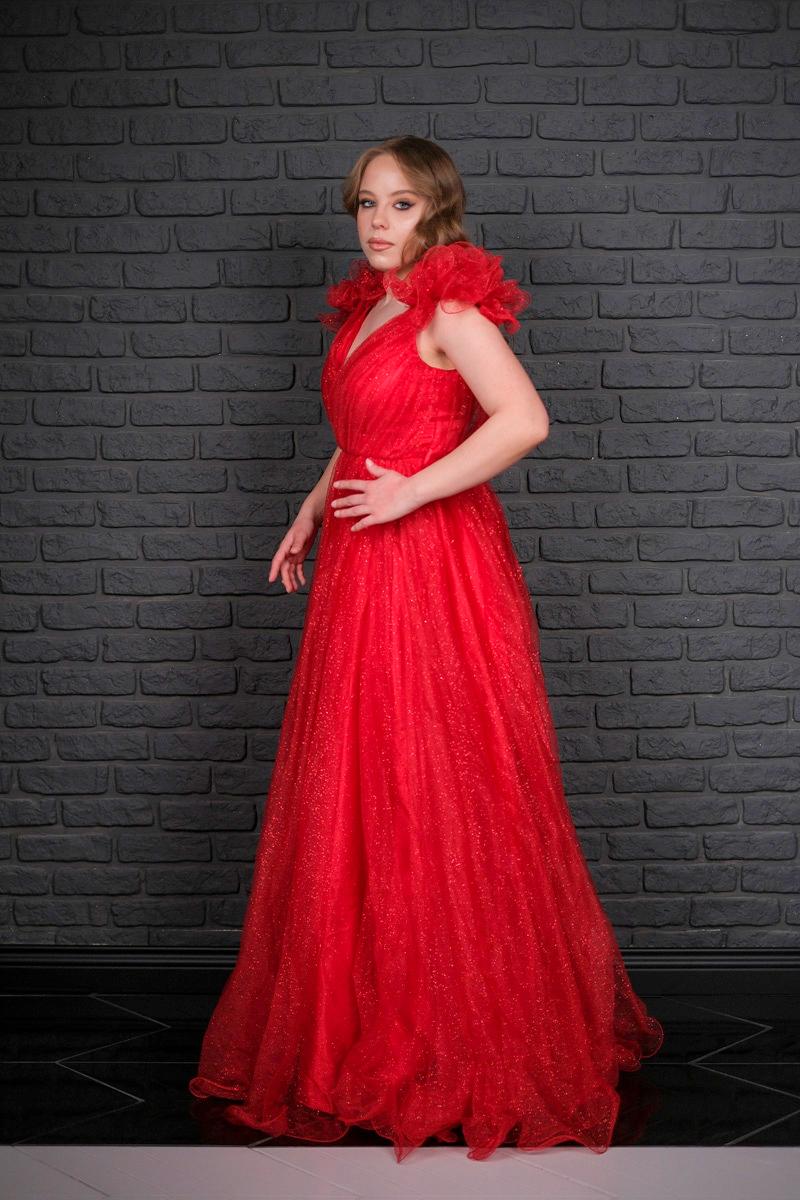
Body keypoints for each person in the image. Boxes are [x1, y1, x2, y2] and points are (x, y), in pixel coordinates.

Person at [188, 134, 664, 1163]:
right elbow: (364, 429)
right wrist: (311, 508)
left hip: (432, 565)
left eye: (399, 204)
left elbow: (523, 420)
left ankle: (453, 1036)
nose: (376, 222)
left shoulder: (450, 308)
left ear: (436, 209)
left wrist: (407, 494)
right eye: (366, 202)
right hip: (363, 560)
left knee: (434, 778)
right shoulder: (373, 306)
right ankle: (368, 1026)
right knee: (361, 780)